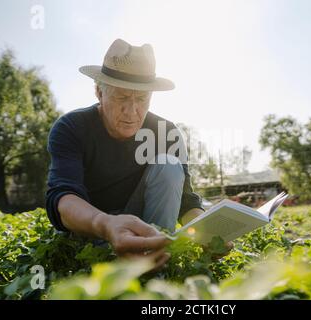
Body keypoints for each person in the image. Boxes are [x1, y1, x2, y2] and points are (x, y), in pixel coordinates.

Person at [45, 39, 231, 270]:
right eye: (121, 97)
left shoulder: (166, 132)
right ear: (99, 92)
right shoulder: (71, 127)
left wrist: (205, 235)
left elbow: (185, 200)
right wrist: (105, 224)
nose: (132, 111)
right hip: (92, 224)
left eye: (142, 99)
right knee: (93, 257)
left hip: (143, 223)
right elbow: (63, 196)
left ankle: (155, 257)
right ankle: (115, 257)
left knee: (169, 165)